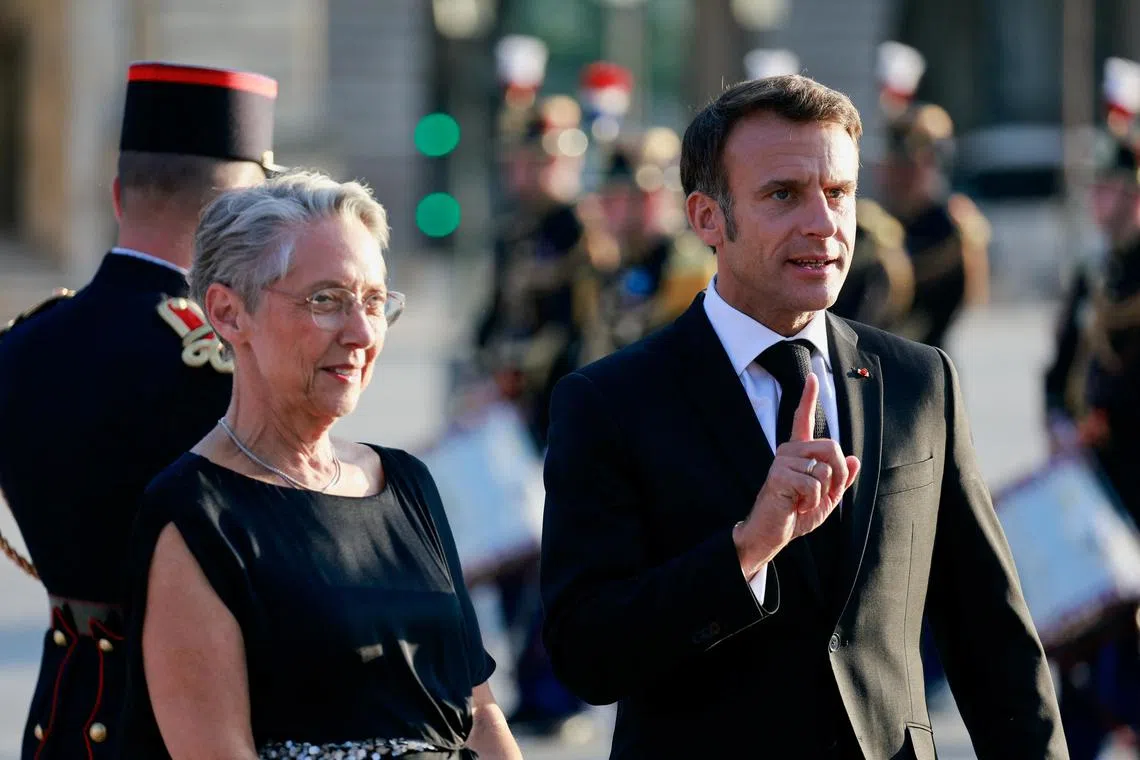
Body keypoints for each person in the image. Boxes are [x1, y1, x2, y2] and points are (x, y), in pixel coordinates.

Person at [539, 74, 1067, 758]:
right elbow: (587, 654)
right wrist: (746, 550)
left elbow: (991, 638)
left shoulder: (918, 381)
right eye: (783, 195)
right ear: (706, 218)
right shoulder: (610, 402)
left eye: (838, 193)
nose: (822, 223)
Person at [117, 170, 522, 760]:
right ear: (229, 314)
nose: (361, 333)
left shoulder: (406, 482)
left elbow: (480, 714)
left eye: (375, 302)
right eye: (325, 301)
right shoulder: (194, 516)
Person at [0, 61, 280, 760]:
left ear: (118, 194)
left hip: (65, 713)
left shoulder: (21, 346)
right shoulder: (226, 361)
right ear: (235, 219)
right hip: (204, 723)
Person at [1043, 57, 1140, 760]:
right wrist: (1058, 421)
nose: (1100, 200)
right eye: (1098, 187)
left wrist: (1110, 421)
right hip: (1089, 483)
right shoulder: (1092, 274)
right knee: (1076, 649)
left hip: (1134, 480)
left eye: (1112, 188)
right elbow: (1060, 369)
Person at [876, 41, 991, 351]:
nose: (899, 174)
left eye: (910, 165)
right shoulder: (877, 223)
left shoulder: (949, 229)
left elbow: (955, 303)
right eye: (895, 165)